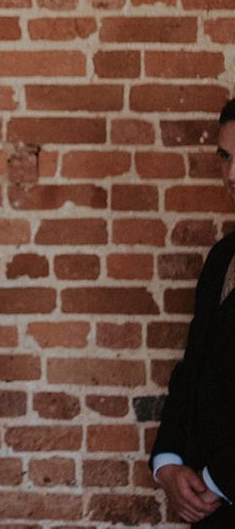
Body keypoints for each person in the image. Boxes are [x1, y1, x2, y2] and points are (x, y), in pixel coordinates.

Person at [152, 98, 235, 526]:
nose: (232, 175)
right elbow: (193, 369)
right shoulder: (221, 257)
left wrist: (218, 481)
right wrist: (167, 463)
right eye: (226, 157)